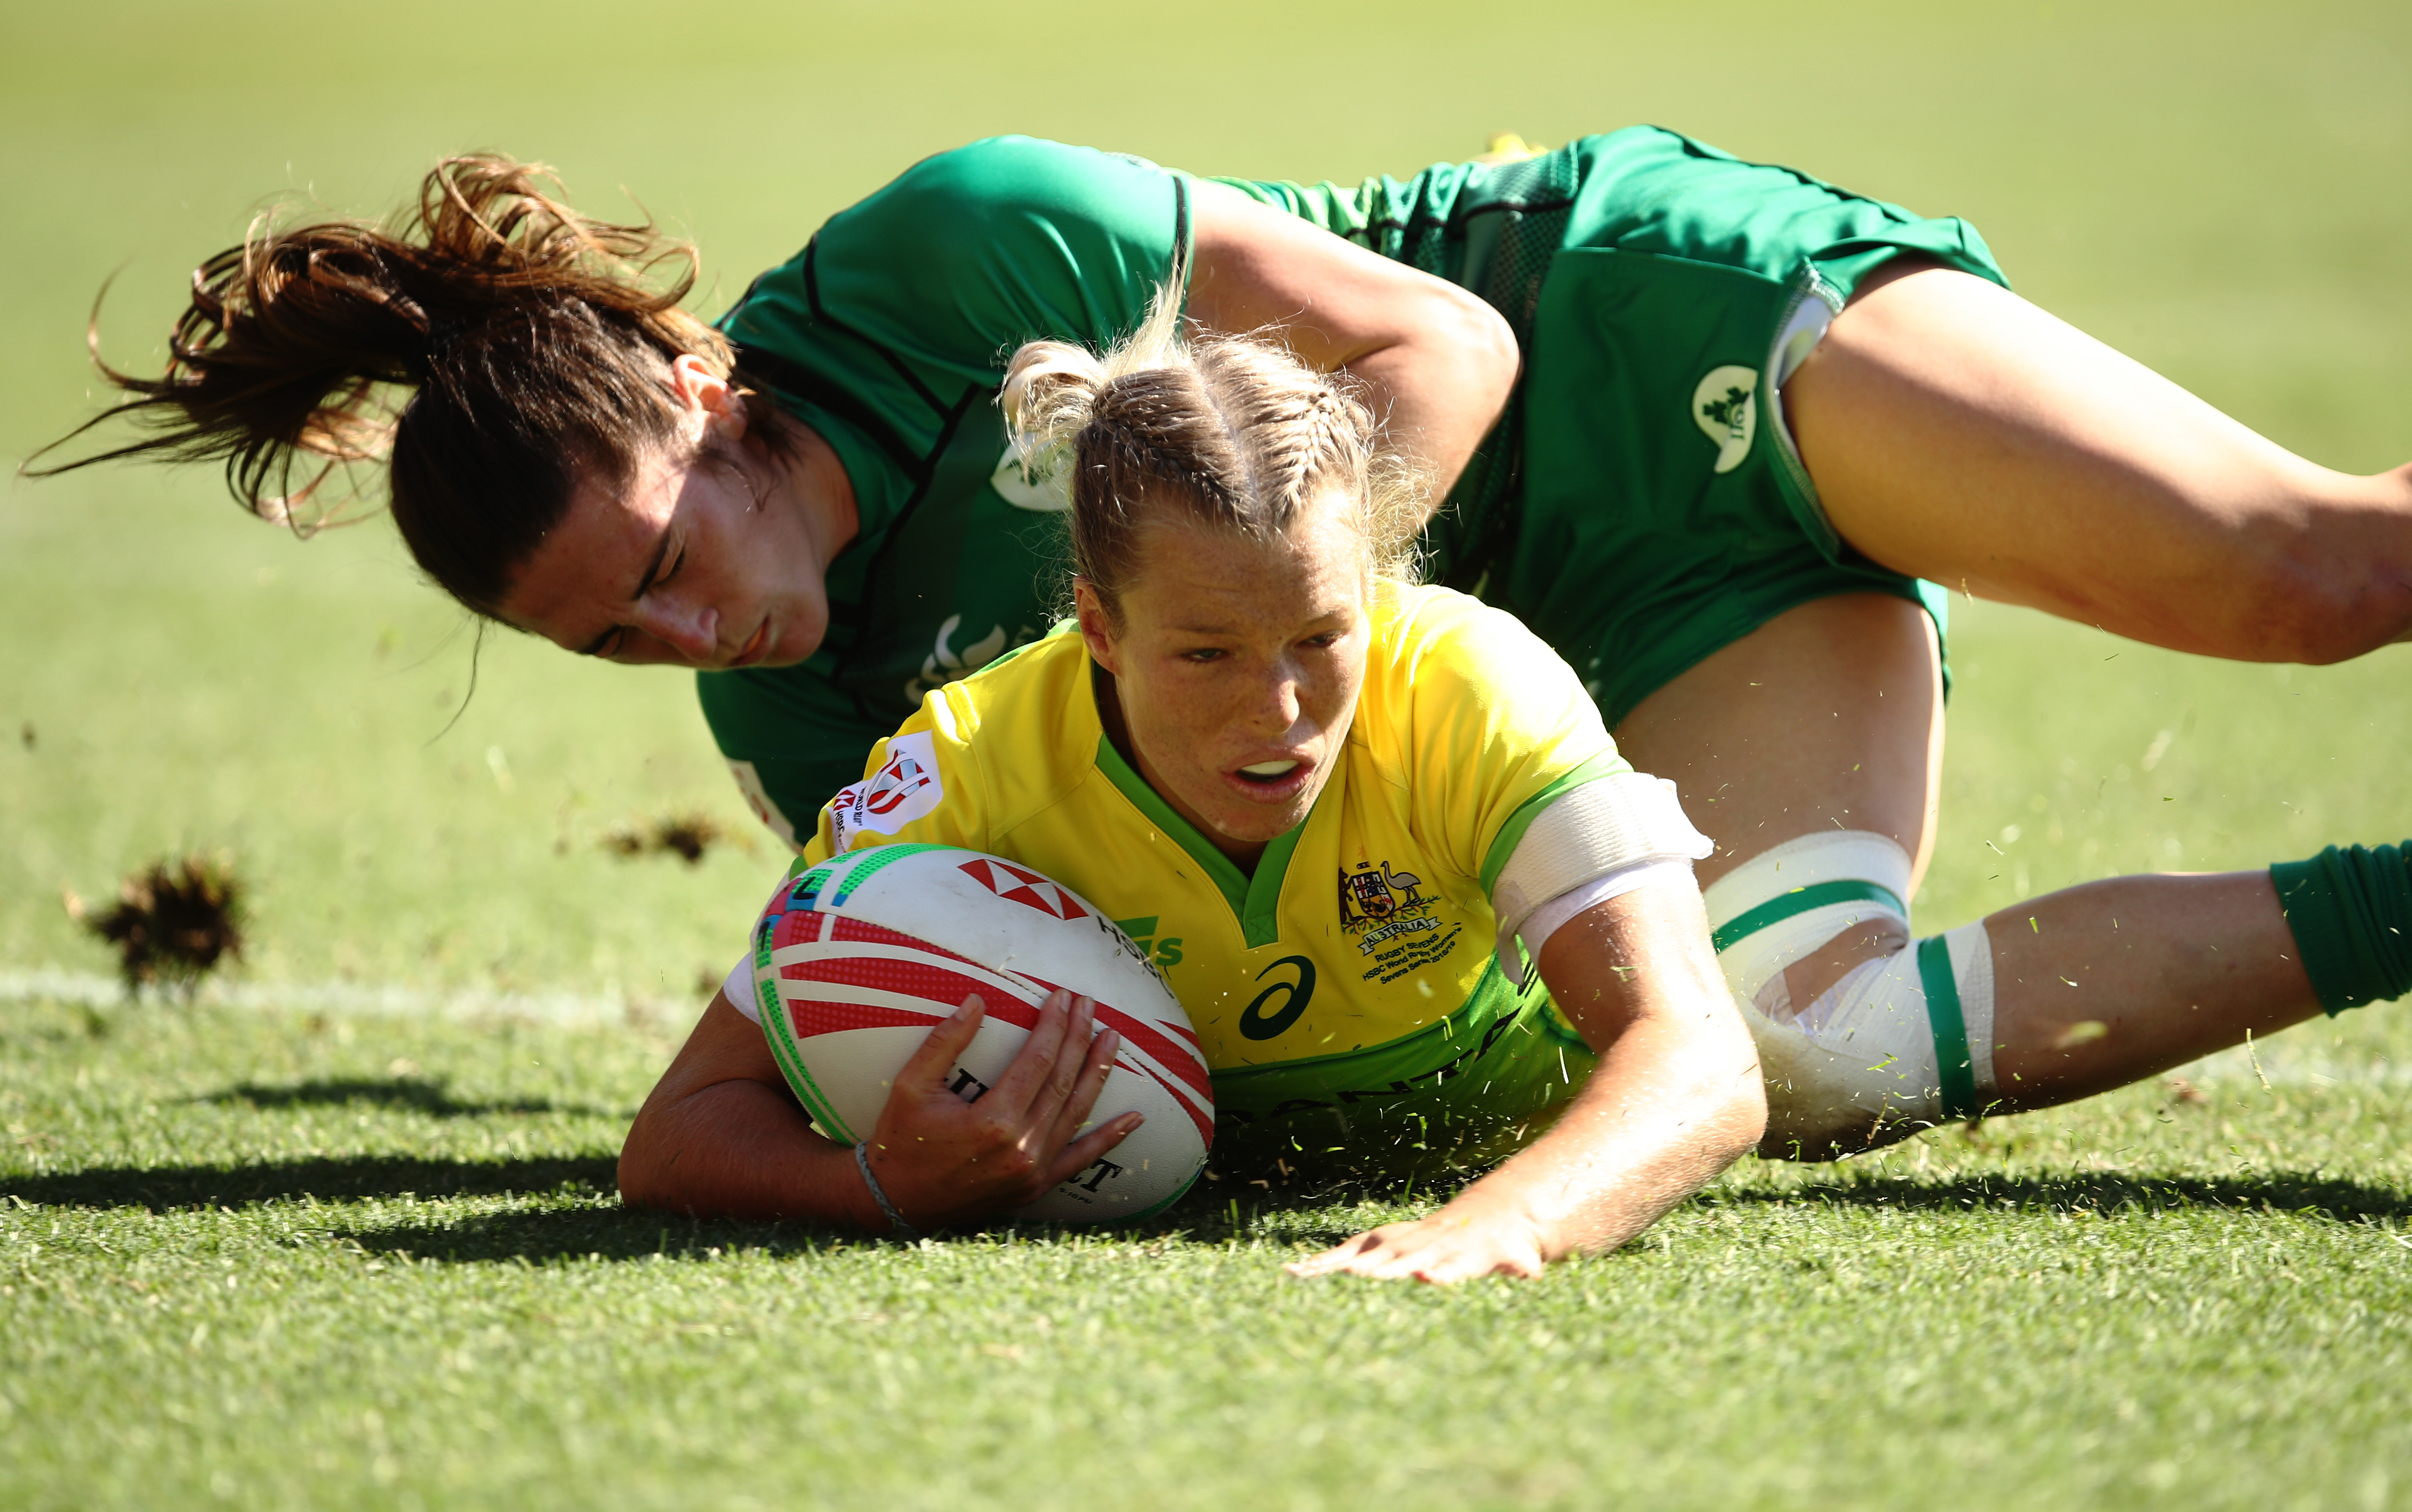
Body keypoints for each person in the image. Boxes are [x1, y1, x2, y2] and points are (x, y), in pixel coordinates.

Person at [38, 130, 2412, 1163]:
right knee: (1814, 1057)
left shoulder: (961, 247)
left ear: (691, 390)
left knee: (2318, 578)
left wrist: (1345, 642)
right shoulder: (795, 711)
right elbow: (1083, 911)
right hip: (1601, 626)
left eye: (669, 556)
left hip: (1630, 330)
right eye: (609, 645)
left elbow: (1447, 346)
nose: (693, 635)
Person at [623, 299, 2401, 1279]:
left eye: (1323, 635)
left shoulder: (1464, 678)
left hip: (1737, 472)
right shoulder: (962, 769)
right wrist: (873, 1189)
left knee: (1815, 1052)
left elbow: (1696, 1068)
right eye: (1205, 657)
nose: (1286, 709)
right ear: (1093, 623)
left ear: (1378, 593)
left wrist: (1505, 1227)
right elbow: (672, 1137)